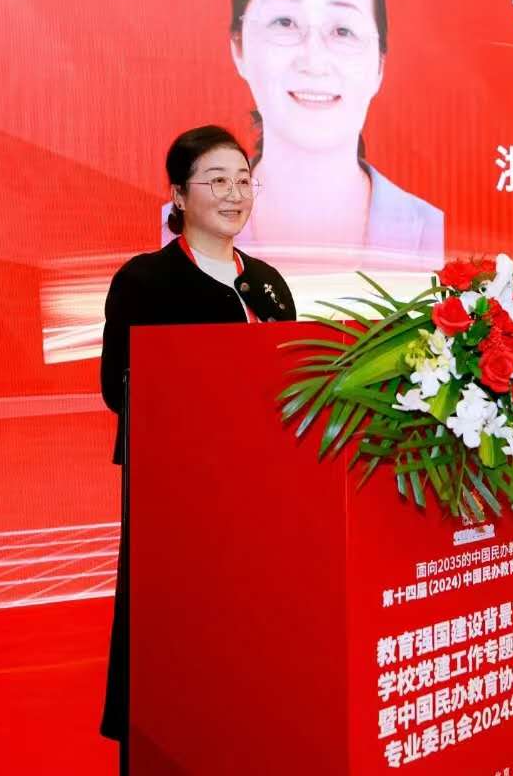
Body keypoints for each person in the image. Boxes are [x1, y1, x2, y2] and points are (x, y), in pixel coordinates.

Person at [98, 124, 295, 770]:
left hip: (257, 498)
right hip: (177, 501)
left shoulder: (267, 284)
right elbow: (118, 388)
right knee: (172, 647)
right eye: (216, 181)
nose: (234, 194)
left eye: (243, 180)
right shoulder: (146, 280)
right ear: (179, 196)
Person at [160, 0, 443, 269]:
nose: (314, 60)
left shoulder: (432, 234)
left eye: (342, 30)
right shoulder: (176, 230)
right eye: (284, 22)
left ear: (379, 66)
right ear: (239, 47)